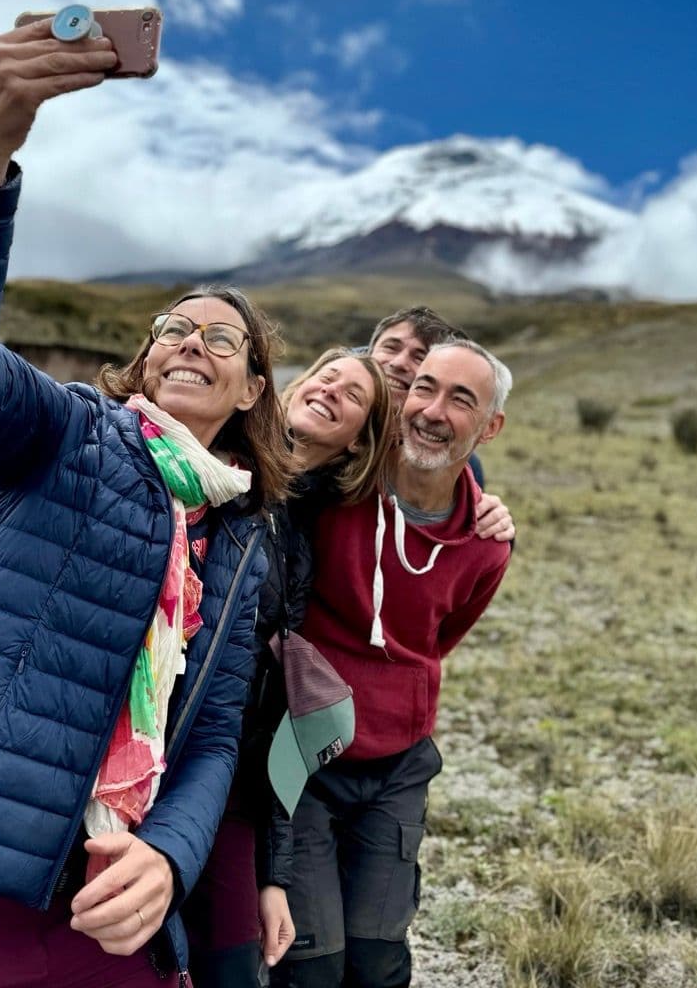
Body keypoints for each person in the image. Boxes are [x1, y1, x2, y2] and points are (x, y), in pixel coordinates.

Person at [0, 18, 291, 988]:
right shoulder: (69, 430)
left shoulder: (243, 536)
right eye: (174, 326)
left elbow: (217, 731)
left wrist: (170, 854)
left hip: (107, 895)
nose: (192, 339)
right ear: (148, 360)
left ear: (250, 392)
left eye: (223, 337)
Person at [271, 338, 514, 988]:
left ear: (490, 426)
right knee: (311, 966)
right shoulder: (335, 487)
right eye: (423, 388)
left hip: (397, 769)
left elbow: (437, 639)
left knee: (379, 964)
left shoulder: (485, 545)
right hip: (304, 759)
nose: (432, 410)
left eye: (461, 399)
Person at [185, 348, 396, 986]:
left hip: (222, 781)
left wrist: (272, 873)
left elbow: (278, 707)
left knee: (229, 965)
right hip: (140, 761)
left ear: (358, 444)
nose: (332, 388)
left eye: (353, 394)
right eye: (326, 374)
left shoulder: (299, 535)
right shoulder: (215, 455)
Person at [367, 306, 487, 489]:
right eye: (390, 347)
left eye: (419, 357)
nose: (398, 363)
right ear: (369, 353)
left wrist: (486, 512)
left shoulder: (463, 467)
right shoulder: (324, 410)